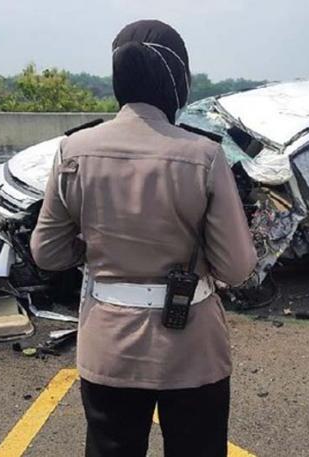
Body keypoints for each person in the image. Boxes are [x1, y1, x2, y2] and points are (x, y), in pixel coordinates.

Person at [30, 20, 257, 457]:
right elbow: (236, 267)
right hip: (191, 350)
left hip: (108, 345)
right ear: (179, 83)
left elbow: (47, 252)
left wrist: (88, 248)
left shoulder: (73, 150)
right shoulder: (204, 155)